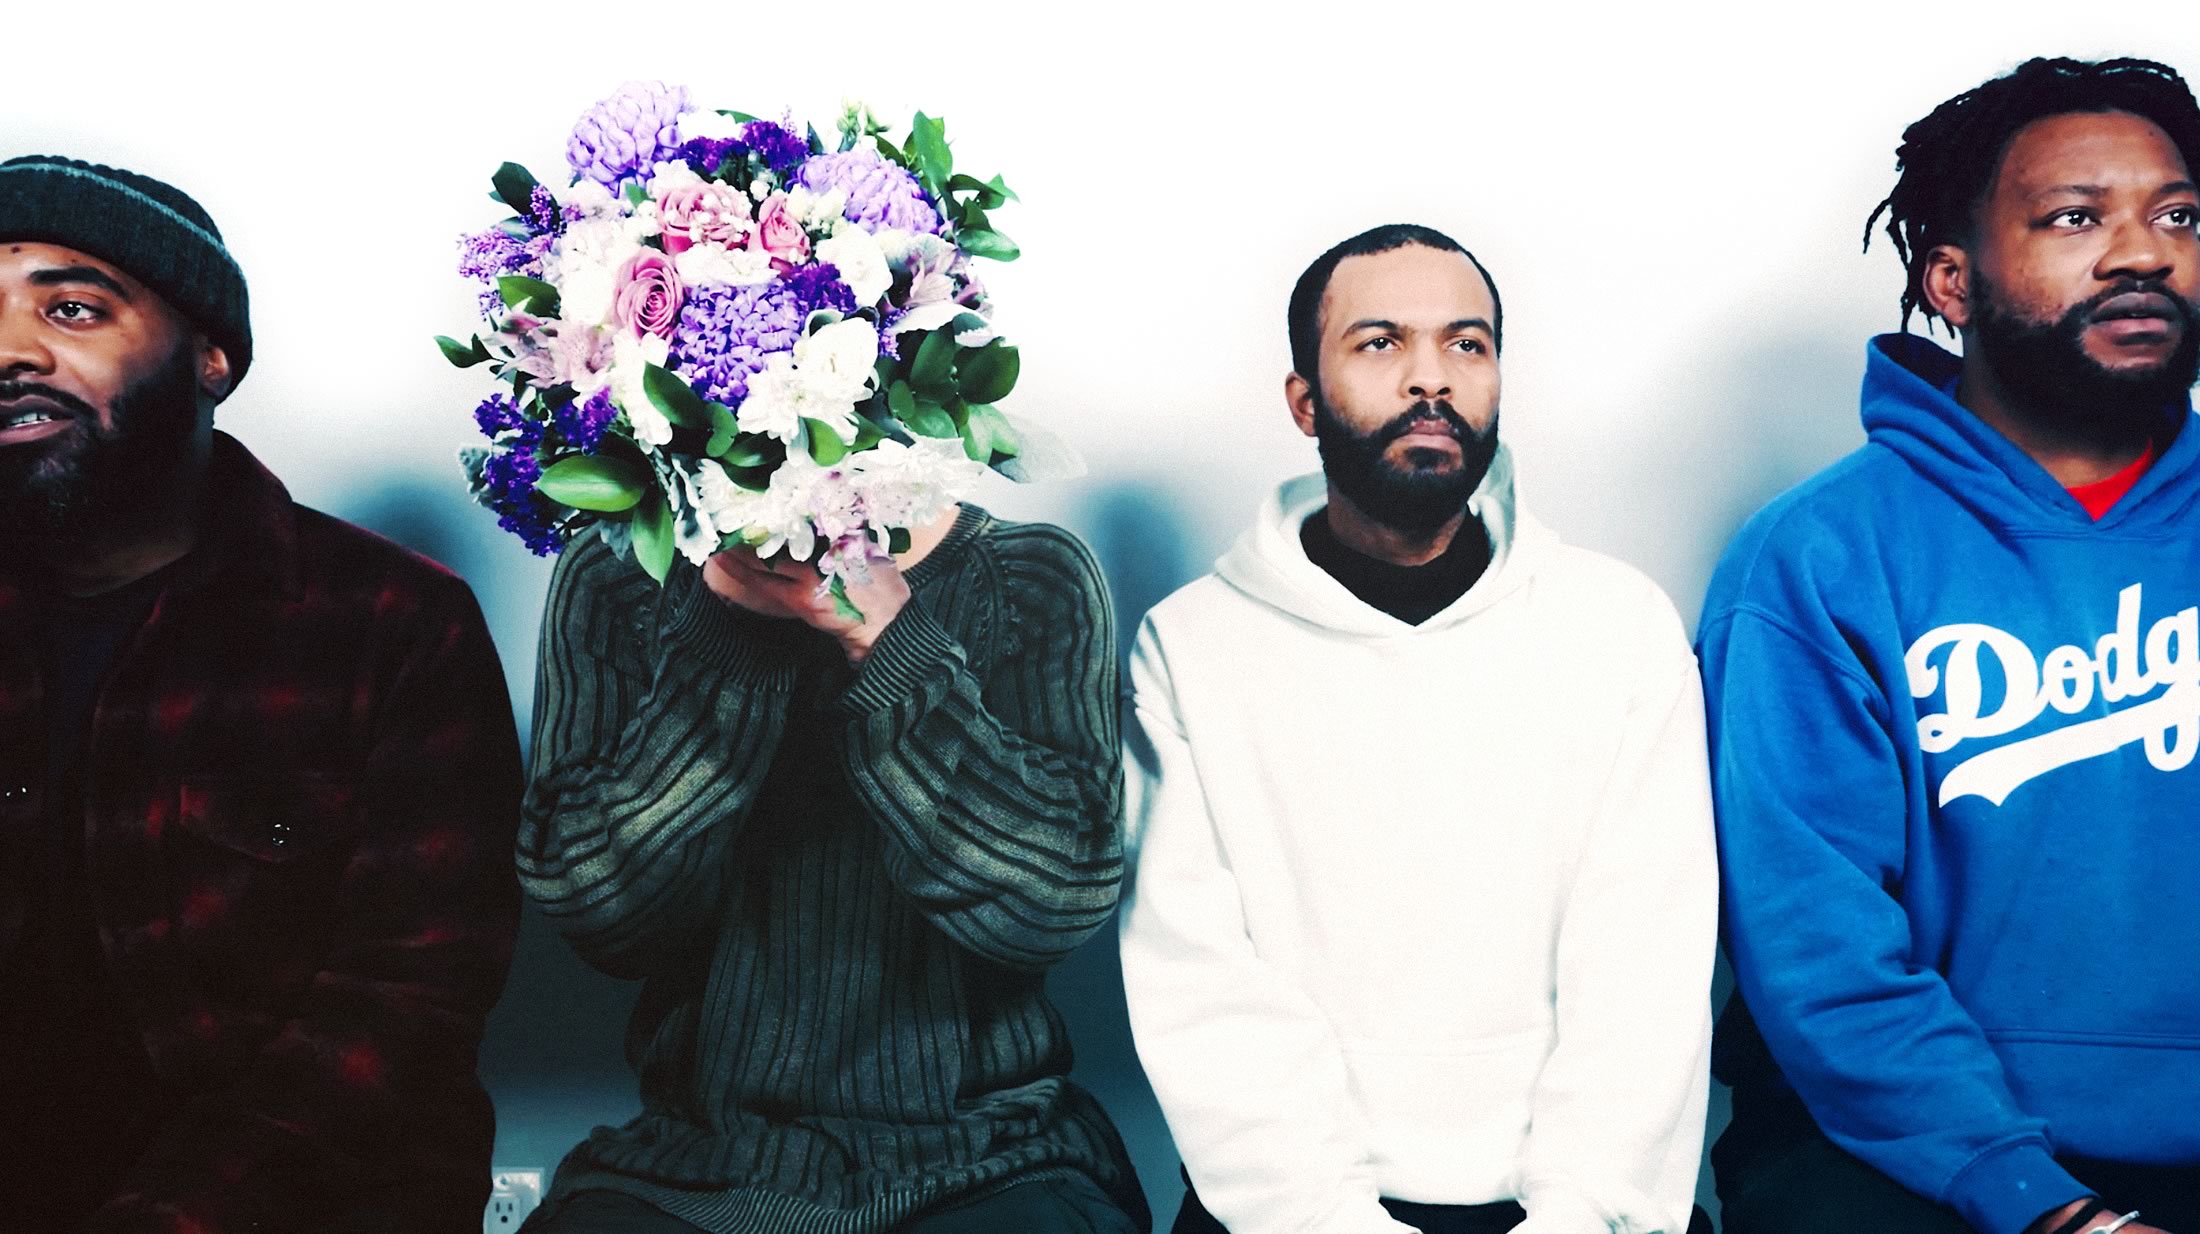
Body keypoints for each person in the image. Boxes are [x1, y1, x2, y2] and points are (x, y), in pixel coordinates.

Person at [1119, 223, 1717, 1234]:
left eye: (1466, 344)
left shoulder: (1617, 627)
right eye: (1380, 342)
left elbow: (1643, 977)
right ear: (1303, 400)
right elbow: (1201, 989)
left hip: (1580, 1211)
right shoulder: (1191, 646)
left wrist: (1574, 1216)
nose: (1430, 379)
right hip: (1288, 1214)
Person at [1701, 56, 2200, 1234]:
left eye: (2177, 215)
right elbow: (1817, 955)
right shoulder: (1815, 560)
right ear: (1951, 279)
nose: (2141, 252)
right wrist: (2041, 1204)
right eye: (2074, 218)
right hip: (1911, 1158)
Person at [0, 154, 524, 1233]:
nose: (10, 351)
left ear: (212, 357)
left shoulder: (389, 630)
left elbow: (394, 1021)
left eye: (72, 308)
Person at [515, 495, 1149, 1231]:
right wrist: (725, 639)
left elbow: (1052, 909)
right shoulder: (620, 570)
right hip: (690, 1162)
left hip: (993, 1155)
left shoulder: (1034, 574)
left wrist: (894, 650)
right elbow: (603, 919)